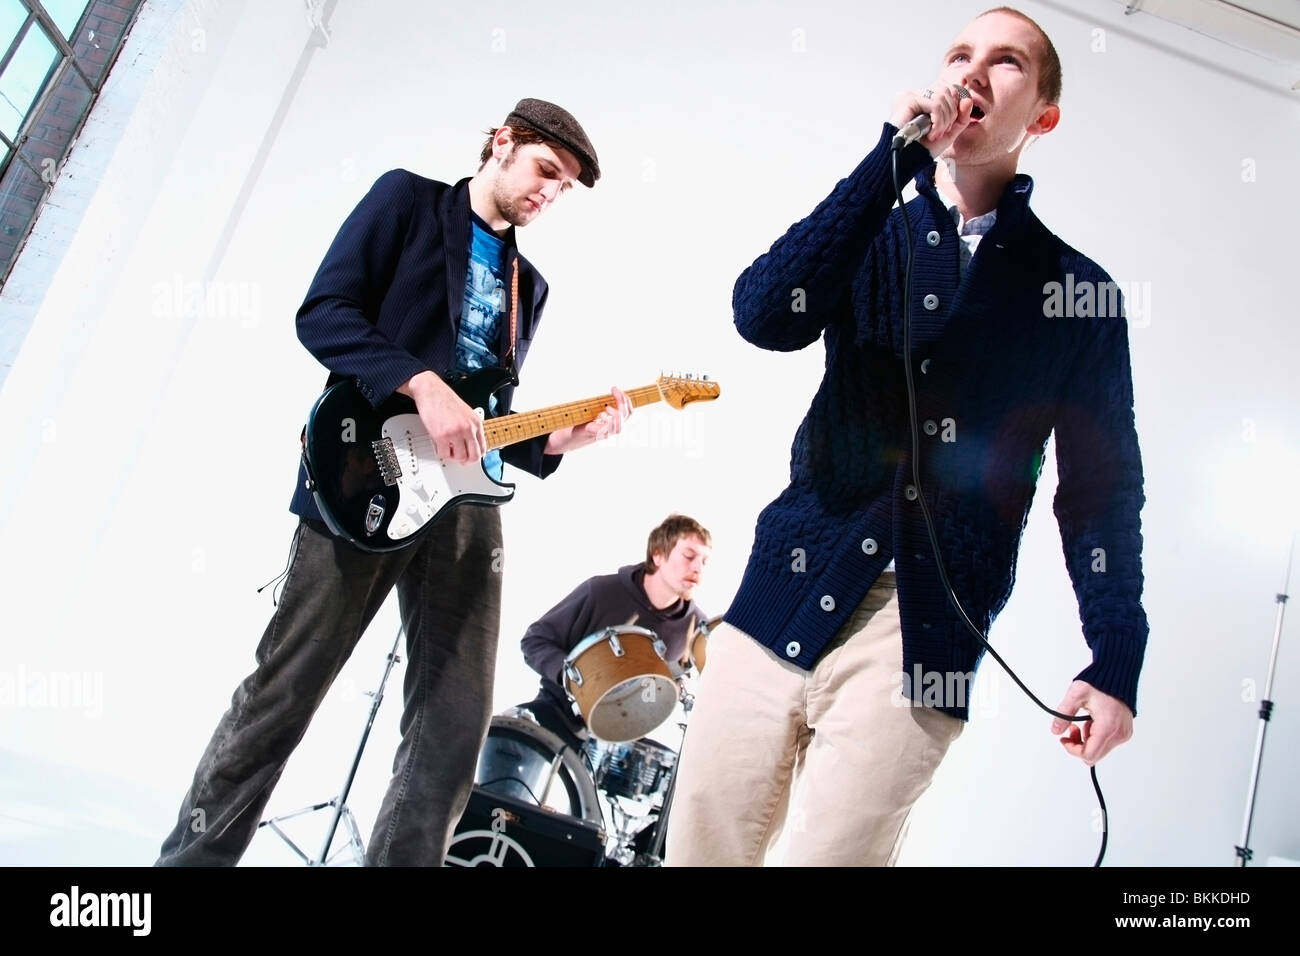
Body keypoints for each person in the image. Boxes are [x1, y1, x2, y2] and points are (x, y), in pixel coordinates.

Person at [667, 7, 1148, 867]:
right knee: (700, 850)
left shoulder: (1078, 294)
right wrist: (891, 160)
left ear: (1042, 115)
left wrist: (1116, 653)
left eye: (1005, 63)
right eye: (959, 53)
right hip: (784, 586)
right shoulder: (872, 227)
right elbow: (765, 316)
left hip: (922, 633)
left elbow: (1100, 492)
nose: (972, 72)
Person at [157, 98, 633, 867]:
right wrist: (418, 380)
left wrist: (560, 441)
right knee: (284, 694)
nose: (551, 193)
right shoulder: (407, 201)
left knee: (456, 724)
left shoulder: (529, 287)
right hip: (362, 477)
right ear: (503, 143)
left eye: (566, 188)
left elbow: (488, 420)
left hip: (464, 506)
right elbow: (324, 314)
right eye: (547, 170)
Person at [516, 514, 713, 755]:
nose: (697, 568)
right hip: (555, 718)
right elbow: (535, 640)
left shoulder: (696, 628)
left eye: (704, 561)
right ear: (658, 555)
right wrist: (572, 677)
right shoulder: (600, 591)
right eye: (689, 556)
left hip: (620, 743)